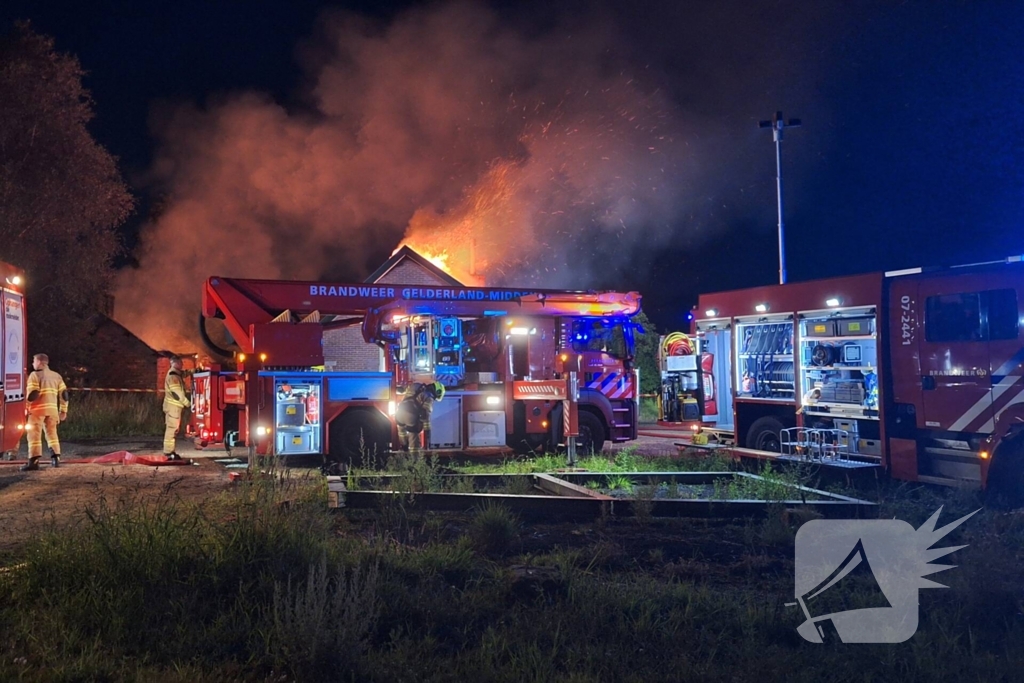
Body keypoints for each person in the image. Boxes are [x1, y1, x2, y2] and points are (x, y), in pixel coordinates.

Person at [20, 353, 68, 471]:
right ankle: (56, 458)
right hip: (52, 411)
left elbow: (33, 394)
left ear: (39, 362)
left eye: (34, 361)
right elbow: (64, 395)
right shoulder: (56, 376)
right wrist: (63, 410)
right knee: (52, 434)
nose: (33, 364)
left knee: (34, 435)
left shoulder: (34, 375)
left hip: (37, 411)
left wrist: (26, 408)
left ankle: (34, 462)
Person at [394, 381, 445, 455]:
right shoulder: (429, 397)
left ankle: (404, 448)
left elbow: (405, 390)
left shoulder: (416, 386)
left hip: (399, 413)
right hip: (410, 415)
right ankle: (415, 459)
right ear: (437, 392)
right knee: (414, 437)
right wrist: (427, 430)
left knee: (402, 432)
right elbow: (425, 414)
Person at [162, 355, 191, 460]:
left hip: (173, 408)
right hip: (173, 408)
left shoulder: (176, 374)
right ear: (176, 363)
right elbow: (177, 394)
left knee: (173, 429)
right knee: (172, 429)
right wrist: (189, 404)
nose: (182, 364)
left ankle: (170, 452)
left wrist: (194, 371)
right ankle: (169, 452)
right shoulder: (173, 376)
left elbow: (183, 373)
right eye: (180, 363)